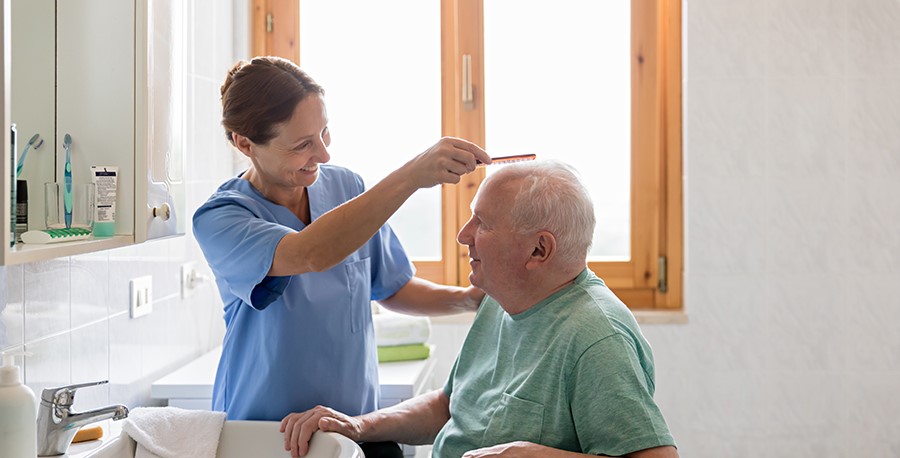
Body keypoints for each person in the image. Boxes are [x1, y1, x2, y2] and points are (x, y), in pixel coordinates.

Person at [192, 56, 492, 456]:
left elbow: (392, 286)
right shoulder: (221, 218)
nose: (323, 154)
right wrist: (411, 176)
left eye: (324, 133)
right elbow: (310, 252)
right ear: (245, 144)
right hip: (269, 436)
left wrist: (470, 300)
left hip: (354, 427)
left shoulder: (347, 188)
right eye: (302, 145)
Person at [280, 160, 678, 458]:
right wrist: (359, 425)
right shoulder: (501, 299)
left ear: (539, 250)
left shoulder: (596, 337)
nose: (462, 235)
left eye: (482, 223)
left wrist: (530, 455)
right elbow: (450, 404)